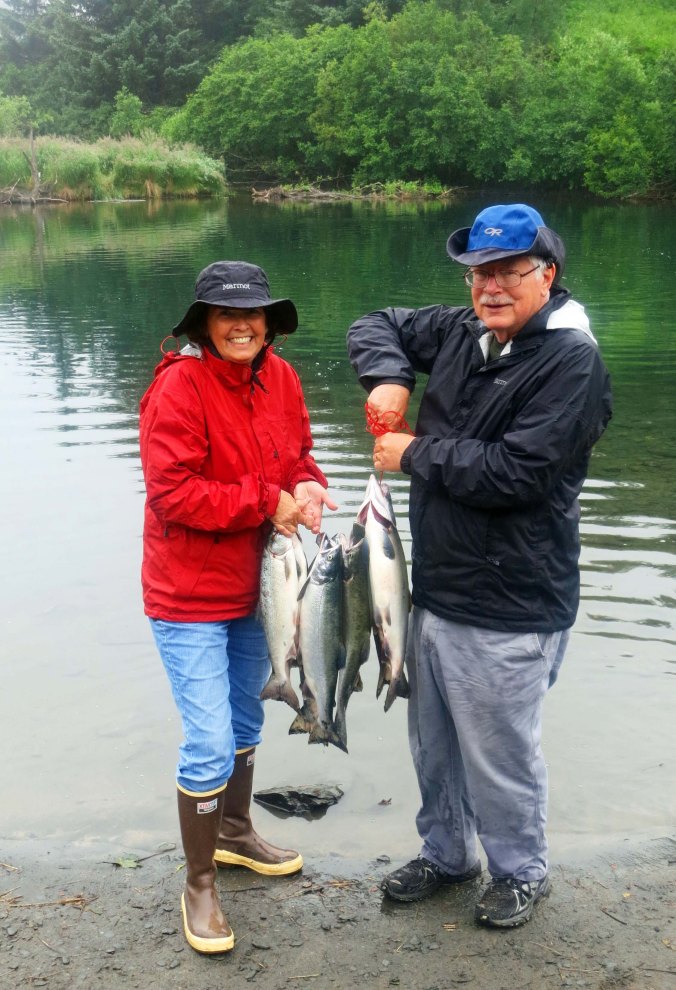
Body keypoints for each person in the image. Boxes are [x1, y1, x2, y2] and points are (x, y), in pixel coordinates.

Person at [347, 204, 612, 928]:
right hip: (436, 589)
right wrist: (388, 378)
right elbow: (377, 322)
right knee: (432, 744)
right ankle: (447, 854)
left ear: (547, 275)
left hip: (512, 599)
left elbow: (518, 473)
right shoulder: (469, 331)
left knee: (498, 754)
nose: (489, 287)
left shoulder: (571, 361)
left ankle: (521, 871)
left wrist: (414, 453)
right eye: (479, 273)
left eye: (508, 272)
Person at [139, 260, 337, 954]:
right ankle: (198, 883)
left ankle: (233, 833)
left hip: (260, 589)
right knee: (209, 740)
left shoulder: (280, 377)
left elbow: (300, 456)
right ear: (202, 322)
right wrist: (264, 499)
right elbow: (173, 493)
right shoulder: (179, 388)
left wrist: (308, 486)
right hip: (188, 594)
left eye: (253, 313)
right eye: (226, 314)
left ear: (268, 322)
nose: (242, 324)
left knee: (250, 713)